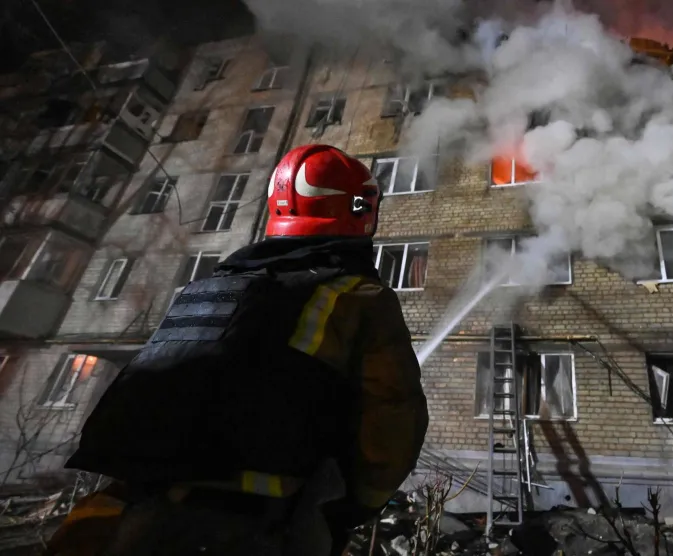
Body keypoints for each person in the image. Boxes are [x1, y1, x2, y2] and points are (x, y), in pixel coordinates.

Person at [47, 144, 429, 556]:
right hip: (257, 529)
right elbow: (390, 423)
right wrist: (353, 508)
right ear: (360, 208)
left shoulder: (202, 291)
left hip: (118, 518)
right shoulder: (360, 296)